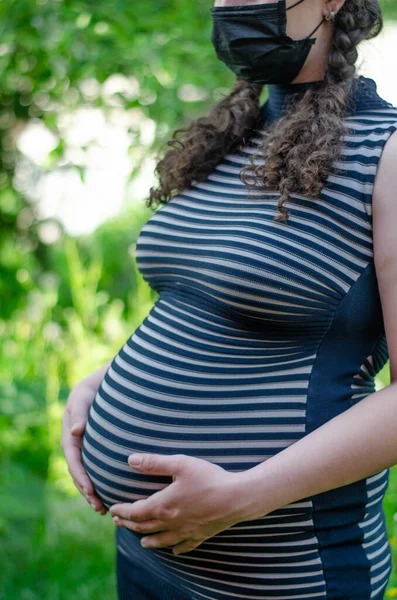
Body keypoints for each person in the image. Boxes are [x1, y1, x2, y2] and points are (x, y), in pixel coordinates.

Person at [61, 0, 397, 598]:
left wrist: (239, 499)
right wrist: (105, 379)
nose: (231, 6)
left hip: (283, 573)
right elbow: (203, 307)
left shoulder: (385, 153)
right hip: (148, 558)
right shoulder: (228, 135)